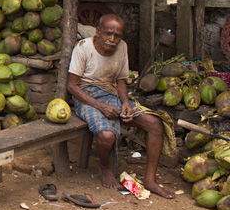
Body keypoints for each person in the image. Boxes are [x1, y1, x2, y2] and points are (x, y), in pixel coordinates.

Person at [68, 14, 173, 199]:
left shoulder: (121, 47)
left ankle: (150, 180)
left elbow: (121, 81)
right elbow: (72, 86)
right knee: (106, 136)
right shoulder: (83, 48)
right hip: (87, 97)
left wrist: (125, 103)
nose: (112, 39)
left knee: (155, 124)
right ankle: (105, 166)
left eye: (117, 35)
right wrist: (100, 106)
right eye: (108, 34)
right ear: (98, 31)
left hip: (112, 94)